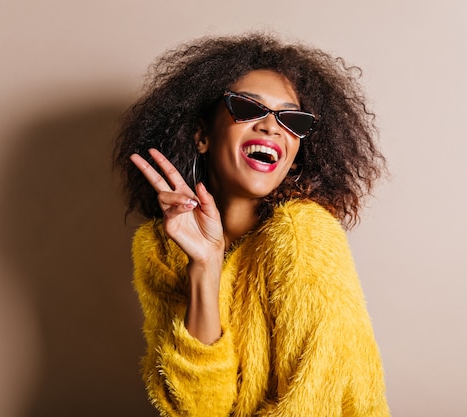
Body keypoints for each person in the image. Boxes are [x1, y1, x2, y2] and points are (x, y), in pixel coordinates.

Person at [114, 33, 390, 417]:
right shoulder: (162, 249)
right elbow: (195, 408)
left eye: (291, 119)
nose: (272, 127)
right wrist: (205, 265)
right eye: (248, 108)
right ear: (202, 136)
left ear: (294, 157)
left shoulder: (304, 234)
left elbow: (316, 402)